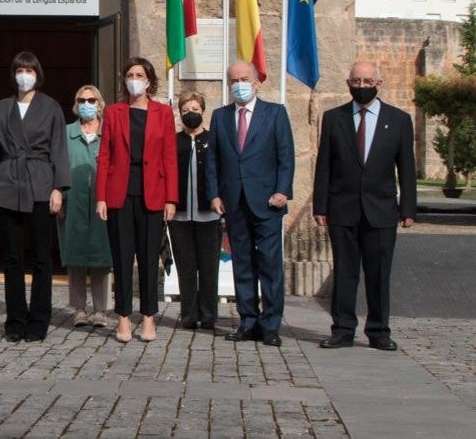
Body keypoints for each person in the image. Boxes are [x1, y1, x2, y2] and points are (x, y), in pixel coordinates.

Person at [313, 61, 416, 351]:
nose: (361, 86)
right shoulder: (334, 118)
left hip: (381, 210)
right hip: (342, 208)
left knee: (379, 273)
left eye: (367, 81)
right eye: (356, 81)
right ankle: (342, 330)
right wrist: (320, 205)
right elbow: (324, 167)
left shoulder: (398, 120)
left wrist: (408, 208)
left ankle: (379, 331)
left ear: (379, 84)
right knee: (345, 273)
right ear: (348, 83)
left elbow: (406, 168)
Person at [0, 51, 69, 343]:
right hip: (7, 182)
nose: (24, 74)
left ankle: (39, 319)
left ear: (37, 73)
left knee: (42, 257)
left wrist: (58, 188)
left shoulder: (51, 106)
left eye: (30, 69)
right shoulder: (2, 108)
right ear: (14, 73)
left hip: (41, 181)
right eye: (20, 69)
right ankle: (15, 319)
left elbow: (59, 148)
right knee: (12, 257)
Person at [205, 61, 294, 347]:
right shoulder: (220, 117)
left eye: (244, 79)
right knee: (242, 263)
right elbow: (213, 161)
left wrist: (283, 191)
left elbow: (286, 156)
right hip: (234, 202)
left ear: (256, 82)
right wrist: (214, 194)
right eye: (233, 80)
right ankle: (247, 320)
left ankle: (270, 324)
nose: (239, 85)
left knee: (269, 264)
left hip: (268, 202)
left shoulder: (275, 113)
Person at [95, 57, 178, 343]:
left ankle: (149, 318)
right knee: (121, 257)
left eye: (139, 74)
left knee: (147, 258)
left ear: (149, 81)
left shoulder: (163, 113)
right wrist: (101, 197)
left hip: (152, 195)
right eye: (129, 74)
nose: (134, 79)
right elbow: (104, 155)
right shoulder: (115, 112)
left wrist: (171, 199)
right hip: (119, 194)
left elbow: (170, 157)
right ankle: (122, 318)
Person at [60, 85, 112, 329]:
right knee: (76, 255)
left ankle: (101, 310)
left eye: (91, 99)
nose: (86, 103)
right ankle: (79, 308)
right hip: (74, 200)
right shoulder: (66, 132)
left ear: (99, 103)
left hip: (103, 202)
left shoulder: (108, 131)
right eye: (81, 99)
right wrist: (57, 193)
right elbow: (56, 166)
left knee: (102, 255)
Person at [171, 91, 220, 331]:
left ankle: (209, 315)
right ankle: (188, 314)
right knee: (186, 267)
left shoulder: (212, 140)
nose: (191, 114)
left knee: (209, 267)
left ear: (203, 111)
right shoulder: (173, 141)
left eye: (195, 110)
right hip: (180, 214)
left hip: (208, 214)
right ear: (180, 113)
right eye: (186, 111)